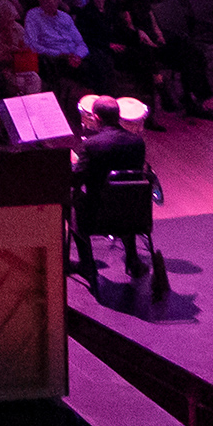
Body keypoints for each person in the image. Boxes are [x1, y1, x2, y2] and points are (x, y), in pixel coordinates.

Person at [73, 93, 154, 283]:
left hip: (99, 219)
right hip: (135, 216)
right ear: (119, 115)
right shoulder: (137, 142)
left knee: (74, 198)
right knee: (124, 196)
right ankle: (132, 260)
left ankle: (87, 265)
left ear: (97, 118)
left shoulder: (91, 145)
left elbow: (77, 180)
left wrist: (73, 164)